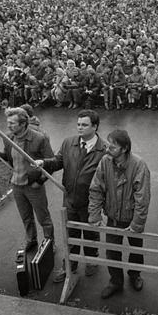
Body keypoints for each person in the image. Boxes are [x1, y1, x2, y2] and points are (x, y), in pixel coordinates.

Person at [35, 110, 106, 281]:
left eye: (84, 125)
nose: (79, 128)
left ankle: (90, 260)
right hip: (70, 199)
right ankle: (70, 265)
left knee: (90, 234)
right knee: (71, 234)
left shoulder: (104, 150)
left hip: (91, 203)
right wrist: (44, 162)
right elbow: (58, 161)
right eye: (78, 124)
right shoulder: (68, 143)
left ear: (95, 127)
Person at [88, 129, 151, 299]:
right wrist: (94, 216)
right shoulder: (105, 161)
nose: (108, 148)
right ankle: (115, 281)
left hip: (132, 218)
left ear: (124, 148)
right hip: (113, 218)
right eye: (108, 145)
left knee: (136, 249)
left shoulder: (139, 165)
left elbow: (142, 198)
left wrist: (136, 224)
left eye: (112, 146)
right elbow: (96, 189)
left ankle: (135, 275)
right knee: (111, 251)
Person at [0, 107, 55, 251]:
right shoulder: (8, 138)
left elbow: (50, 163)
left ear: (23, 124)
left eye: (12, 123)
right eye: (8, 122)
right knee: (26, 217)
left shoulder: (39, 139)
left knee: (44, 218)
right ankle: (31, 240)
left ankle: (50, 243)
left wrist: (39, 182)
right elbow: (8, 158)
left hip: (33, 185)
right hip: (17, 185)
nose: (8, 125)